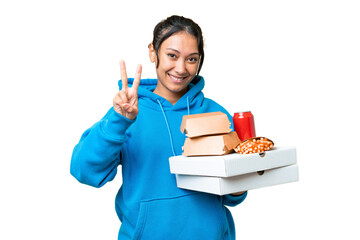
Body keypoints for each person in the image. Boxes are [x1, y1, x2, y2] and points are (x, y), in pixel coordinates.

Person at [70, 15, 247, 240]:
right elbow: (84, 171)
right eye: (172, 56)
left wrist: (242, 180)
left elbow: (234, 196)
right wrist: (119, 121)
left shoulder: (217, 114)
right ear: (153, 52)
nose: (181, 68)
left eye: (191, 59)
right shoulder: (128, 112)